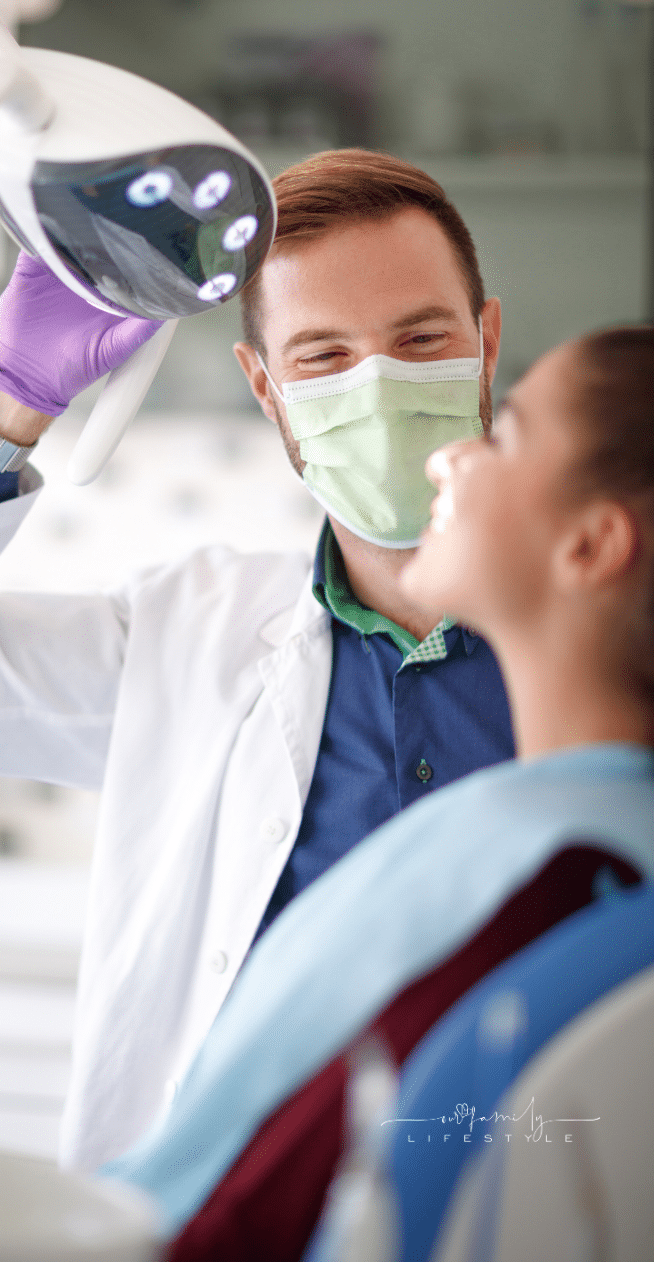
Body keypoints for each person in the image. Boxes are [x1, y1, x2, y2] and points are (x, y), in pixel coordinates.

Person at [0, 149, 514, 1171]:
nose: (381, 384)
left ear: (485, 344)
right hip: (241, 1203)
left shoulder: (609, 635)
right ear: (264, 388)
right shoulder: (192, 638)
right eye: (322, 357)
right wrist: (4, 398)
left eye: (421, 339)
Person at [100, 325, 654, 1261]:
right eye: (321, 355)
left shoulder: (538, 869)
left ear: (592, 544)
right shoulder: (605, 840)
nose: (447, 453)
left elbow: (225, 1218)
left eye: (505, 433)